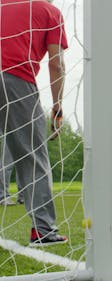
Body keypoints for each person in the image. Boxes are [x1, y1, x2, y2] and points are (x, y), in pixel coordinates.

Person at [0, 0, 68, 245]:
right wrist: (57, 107)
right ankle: (43, 229)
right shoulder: (50, 12)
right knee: (33, 155)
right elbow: (56, 63)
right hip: (15, 79)